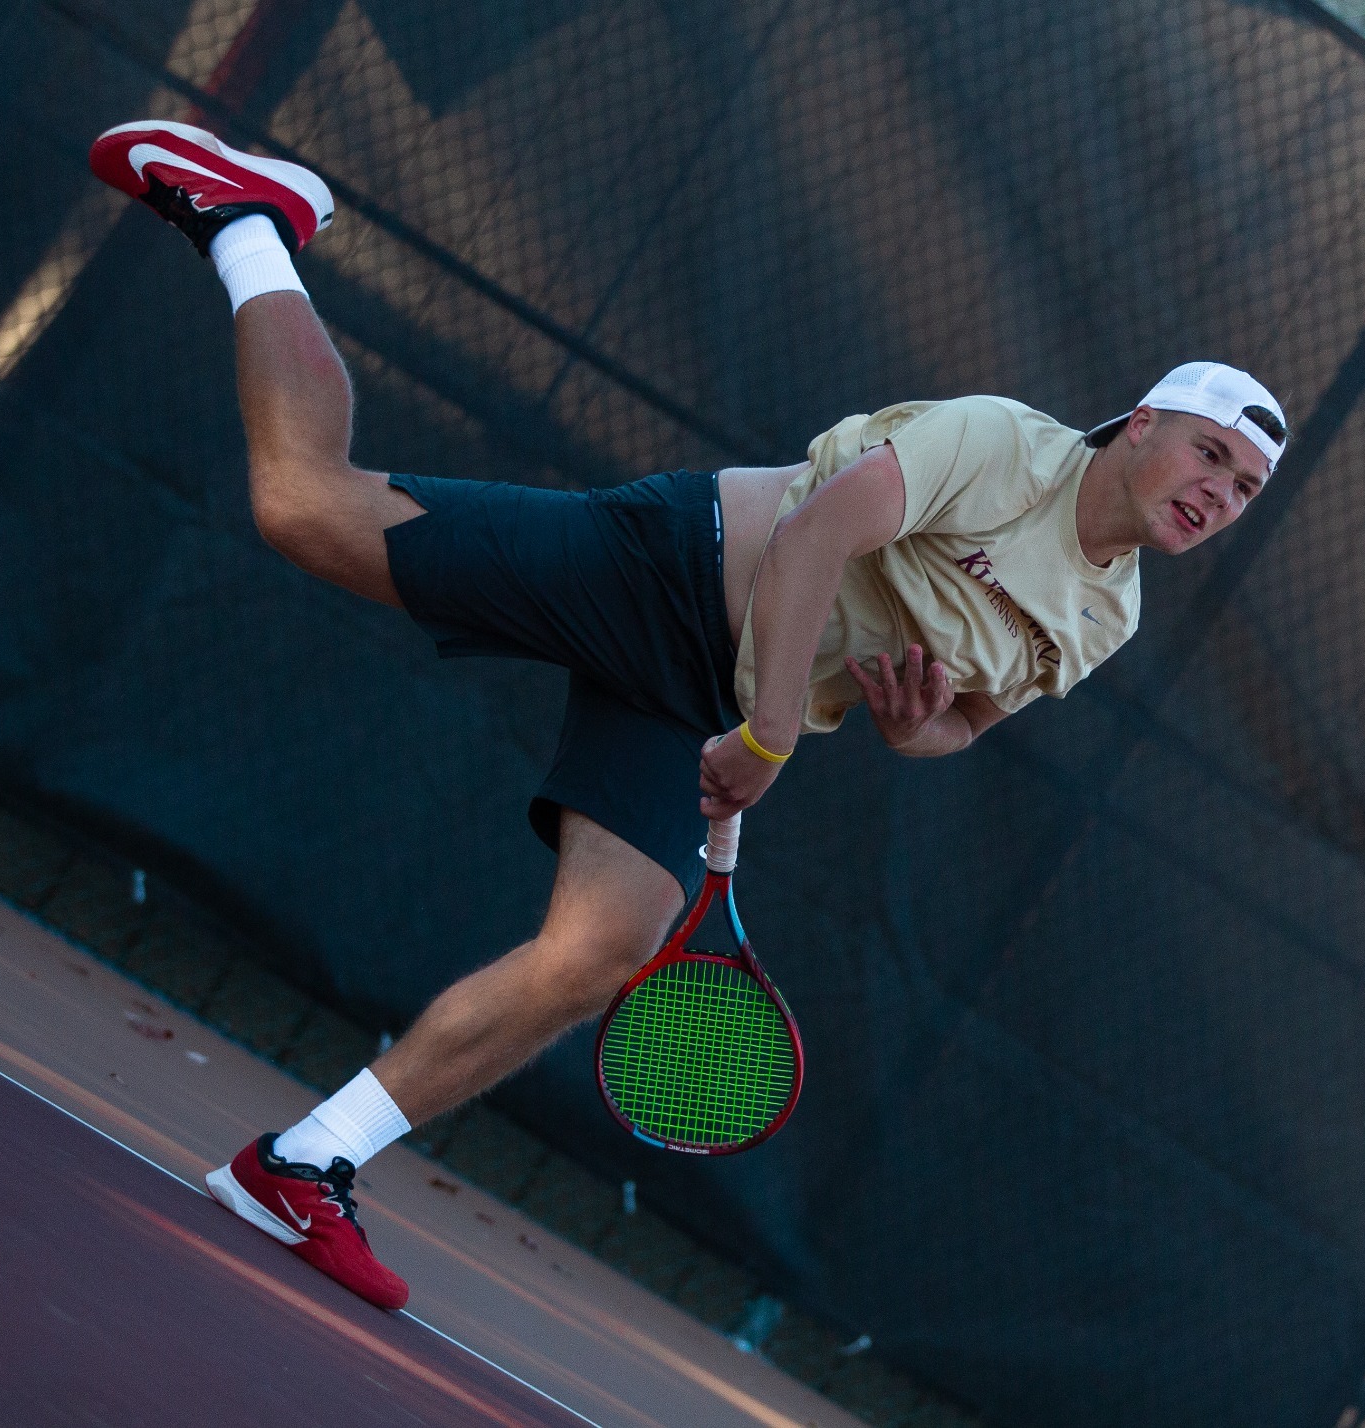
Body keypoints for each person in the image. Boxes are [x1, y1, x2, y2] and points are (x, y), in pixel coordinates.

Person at [87, 120, 1288, 1311]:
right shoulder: (999, 443)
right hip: (661, 564)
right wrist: (767, 739)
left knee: (598, 949)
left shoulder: (1105, 614)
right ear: (1138, 425)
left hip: (702, 697)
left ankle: (304, 1163)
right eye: (1204, 454)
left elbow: (952, 730)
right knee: (303, 506)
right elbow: (817, 532)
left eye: (1238, 489)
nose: (1213, 493)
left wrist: (909, 721)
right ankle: (253, 221)